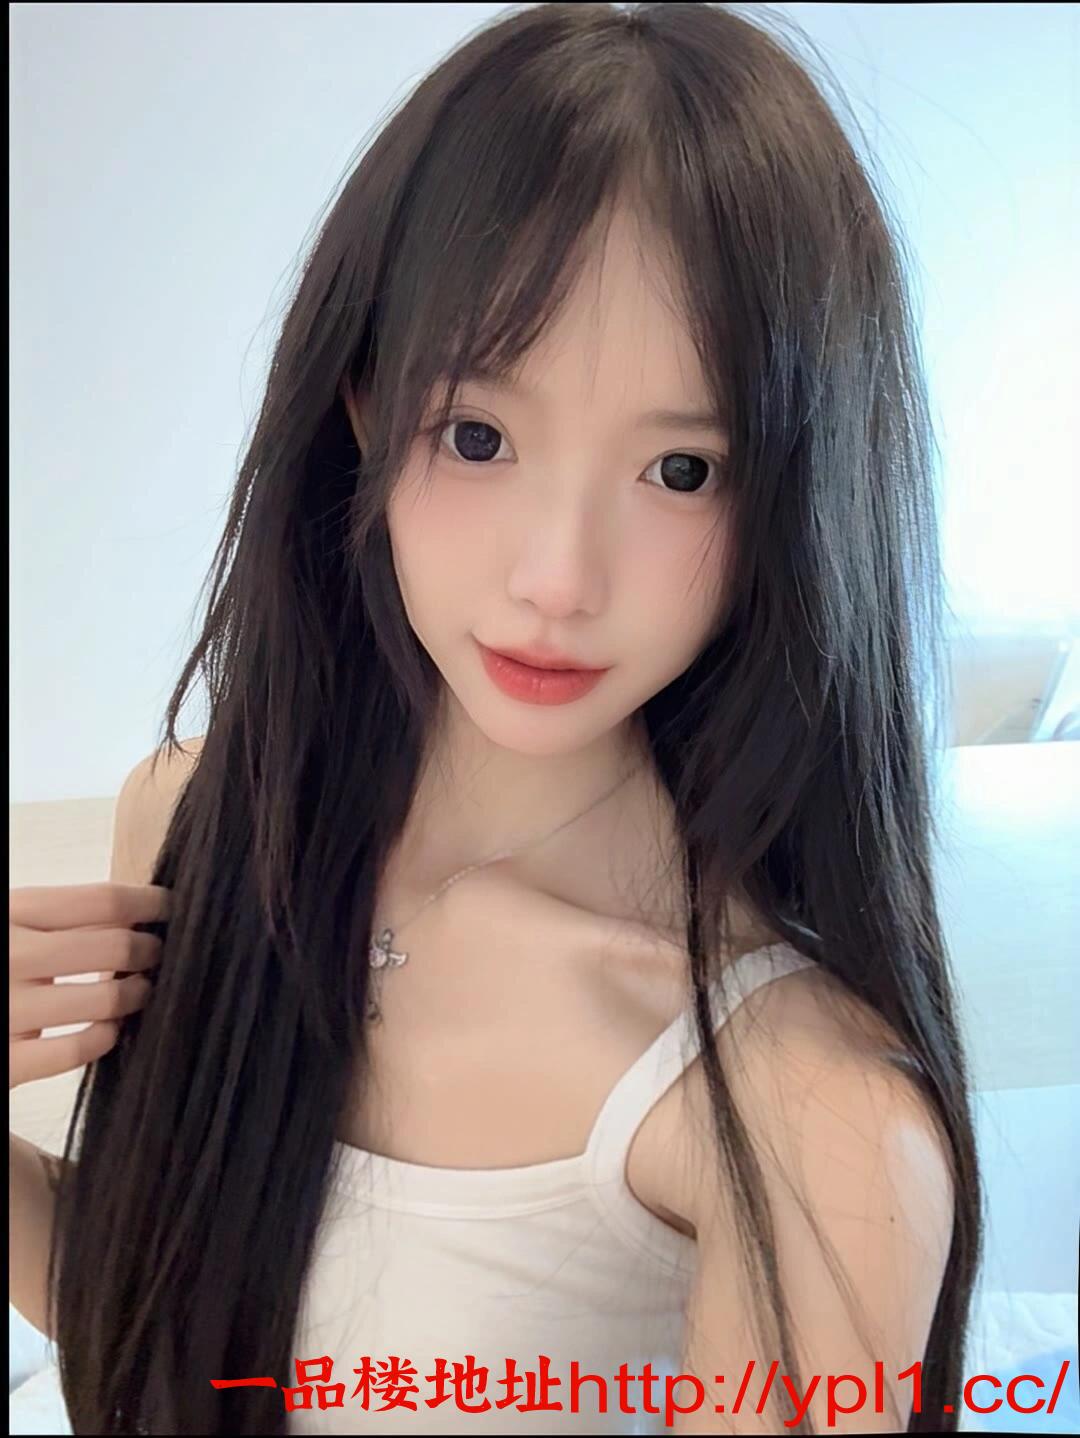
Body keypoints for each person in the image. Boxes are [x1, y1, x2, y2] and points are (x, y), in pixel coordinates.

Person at [9, 4, 981, 1433]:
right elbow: (169, 1320)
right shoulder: (201, 819)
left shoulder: (807, 1122)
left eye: (683, 470)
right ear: (363, 410)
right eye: (479, 436)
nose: (557, 579)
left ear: (794, 496)